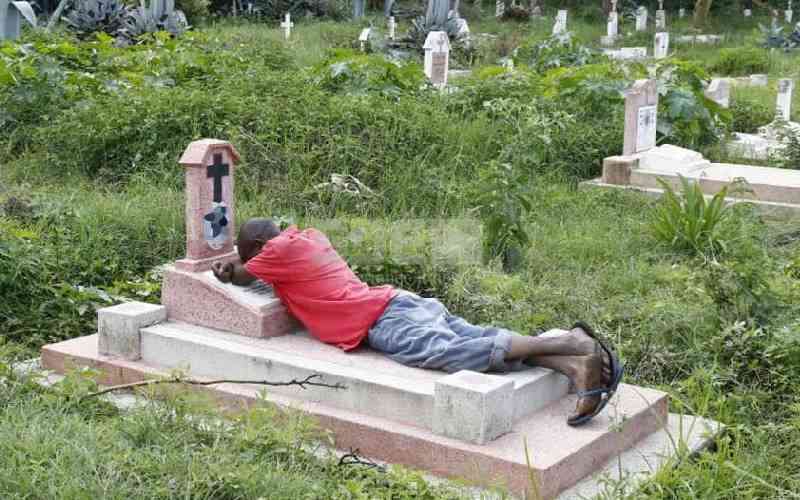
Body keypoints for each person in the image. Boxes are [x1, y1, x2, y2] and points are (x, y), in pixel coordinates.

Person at [212, 218, 623, 426]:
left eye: (247, 249)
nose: (248, 256)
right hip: (402, 301)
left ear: (258, 247)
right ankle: (572, 365)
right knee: (474, 339)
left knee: (450, 353)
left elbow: (242, 274)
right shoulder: (308, 237)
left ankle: (573, 342)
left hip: (382, 317)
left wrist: (230, 266)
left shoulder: (274, 253)